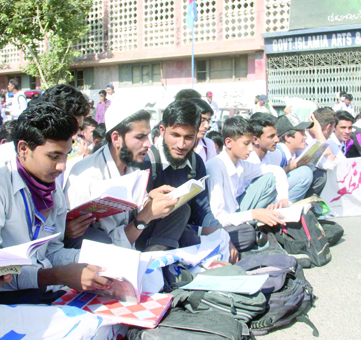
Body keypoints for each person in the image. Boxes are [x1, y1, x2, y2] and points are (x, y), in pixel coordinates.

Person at [0, 104, 111, 303]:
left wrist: (100, 259)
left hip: (46, 291)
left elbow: (52, 252)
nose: (62, 166)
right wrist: (59, 275)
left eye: (66, 154)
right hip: (5, 303)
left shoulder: (52, 190)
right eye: (53, 156)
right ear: (23, 149)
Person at [66, 101, 188, 252]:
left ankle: (154, 259)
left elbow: (131, 211)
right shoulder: (86, 175)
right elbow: (80, 239)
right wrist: (145, 216)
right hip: (101, 251)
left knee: (179, 209)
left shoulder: (131, 163)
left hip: (127, 237)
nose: (148, 144)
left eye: (148, 136)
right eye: (140, 137)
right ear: (116, 138)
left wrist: (149, 199)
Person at [141, 101, 238, 261]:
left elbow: (202, 210)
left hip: (181, 231)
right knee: (181, 210)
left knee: (229, 239)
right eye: (175, 135)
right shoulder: (147, 161)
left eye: (188, 137)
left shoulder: (196, 163)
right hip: (145, 235)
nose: (181, 144)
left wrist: (223, 238)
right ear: (162, 131)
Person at [206, 116, 288, 248]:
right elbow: (218, 218)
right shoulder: (215, 167)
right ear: (228, 142)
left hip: (236, 214)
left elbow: (276, 170)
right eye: (246, 143)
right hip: (219, 226)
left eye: (251, 143)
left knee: (269, 178)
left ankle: (254, 226)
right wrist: (254, 214)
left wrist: (283, 197)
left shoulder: (241, 164)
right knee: (247, 234)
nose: (250, 149)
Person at [0, 84, 90, 171]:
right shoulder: (1, 159)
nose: (75, 137)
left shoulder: (79, 153)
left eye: (78, 129)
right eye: (53, 157)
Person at [248, 113, 312, 203]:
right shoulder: (249, 159)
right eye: (271, 136)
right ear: (255, 139)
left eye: (277, 135)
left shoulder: (270, 154)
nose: (277, 140)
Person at [188, 97, 218, 162]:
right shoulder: (177, 144)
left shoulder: (208, 145)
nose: (206, 126)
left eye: (208, 120)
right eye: (202, 120)